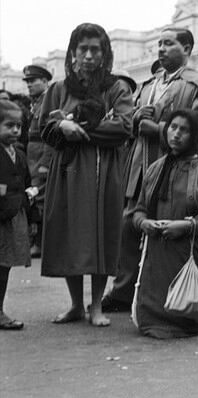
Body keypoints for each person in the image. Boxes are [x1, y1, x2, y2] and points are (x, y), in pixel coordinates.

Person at [102, 27, 198, 312]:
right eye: (159, 44)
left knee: (178, 235)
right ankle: (122, 292)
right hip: (142, 168)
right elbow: (127, 122)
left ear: (187, 49)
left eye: (169, 44)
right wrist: (134, 120)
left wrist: (157, 129)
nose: (161, 49)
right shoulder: (147, 86)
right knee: (130, 226)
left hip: (180, 173)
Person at [38, 23, 133, 326]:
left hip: (102, 173)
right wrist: (61, 126)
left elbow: (123, 128)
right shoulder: (59, 89)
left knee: (102, 232)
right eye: (83, 50)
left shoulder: (116, 88)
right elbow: (45, 128)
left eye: (96, 50)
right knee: (70, 234)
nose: (89, 56)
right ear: (73, 53)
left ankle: (97, 307)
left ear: (105, 54)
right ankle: (76, 305)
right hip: (67, 172)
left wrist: (78, 124)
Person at [132, 109, 198, 338]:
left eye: (184, 130)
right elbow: (138, 210)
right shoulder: (155, 169)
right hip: (156, 259)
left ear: (195, 136)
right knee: (146, 322)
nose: (175, 134)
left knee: (188, 322)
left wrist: (186, 226)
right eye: (172, 127)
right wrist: (144, 222)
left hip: (189, 259)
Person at [0, 100, 34, 330]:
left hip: (12, 216)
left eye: (18, 126)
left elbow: (25, 181)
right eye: (8, 125)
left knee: (4, 267)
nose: (15, 130)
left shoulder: (19, 153)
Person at [21, 64, 53, 258]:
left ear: (45, 81)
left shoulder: (48, 101)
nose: (29, 85)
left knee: (41, 199)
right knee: (34, 197)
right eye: (27, 82)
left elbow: (50, 135)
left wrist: (46, 163)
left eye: (33, 81)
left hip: (41, 156)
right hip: (32, 155)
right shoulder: (36, 102)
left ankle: (40, 243)